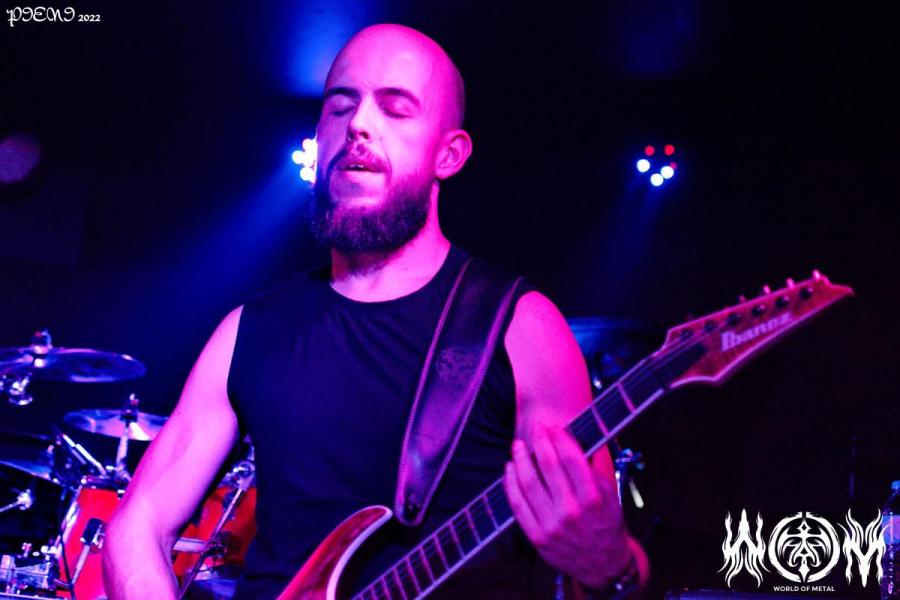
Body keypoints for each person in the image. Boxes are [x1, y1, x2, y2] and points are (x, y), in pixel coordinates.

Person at [103, 24, 649, 599]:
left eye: (395, 109)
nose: (359, 124)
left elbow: (590, 564)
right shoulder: (249, 331)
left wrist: (611, 568)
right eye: (340, 106)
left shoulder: (520, 328)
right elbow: (137, 526)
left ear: (449, 155)